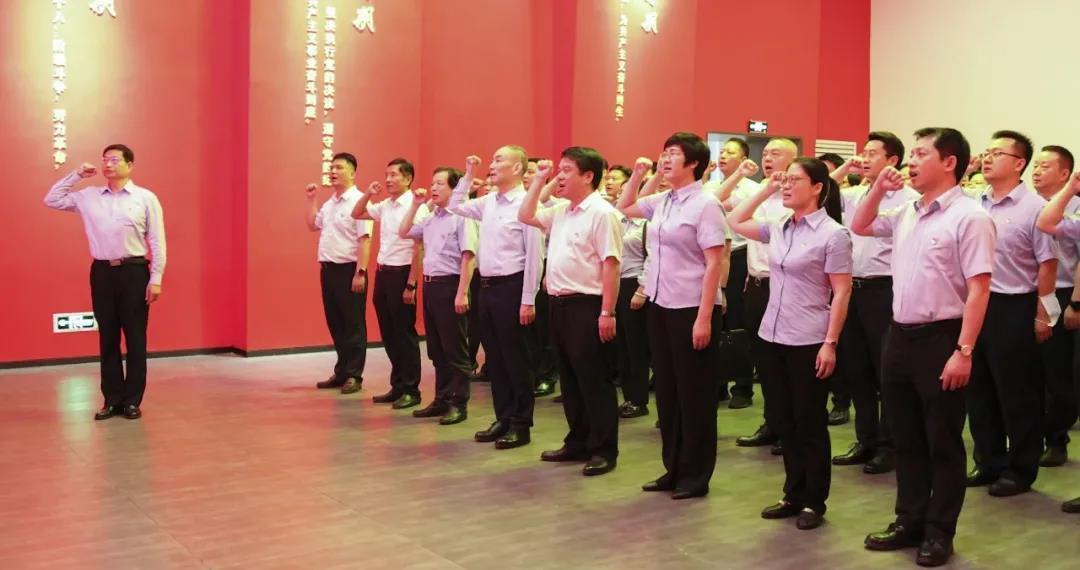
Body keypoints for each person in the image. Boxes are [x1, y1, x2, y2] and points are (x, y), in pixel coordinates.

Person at [853, 128, 995, 567]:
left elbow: (979, 289)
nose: (910, 162)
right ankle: (909, 520)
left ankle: (939, 532)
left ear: (949, 162)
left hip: (942, 338)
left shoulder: (970, 217)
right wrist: (879, 188)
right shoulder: (907, 212)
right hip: (899, 336)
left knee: (943, 441)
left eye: (920, 154)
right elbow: (860, 225)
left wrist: (964, 351)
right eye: (910, 154)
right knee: (907, 439)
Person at [729, 157, 852, 530]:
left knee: (808, 420)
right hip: (772, 334)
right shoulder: (779, 226)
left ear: (817, 187)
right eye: (785, 181)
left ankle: (815, 500)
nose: (786, 185)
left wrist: (830, 343)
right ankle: (792, 493)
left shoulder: (833, 234)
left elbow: (842, 292)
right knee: (783, 419)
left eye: (794, 180)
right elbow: (735, 220)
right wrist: (767, 187)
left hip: (809, 338)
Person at [619, 132, 727, 499]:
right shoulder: (663, 200)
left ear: (694, 163)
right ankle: (674, 468)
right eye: (663, 154)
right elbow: (625, 206)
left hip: (692, 309)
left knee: (695, 396)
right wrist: (639, 174)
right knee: (667, 393)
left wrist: (704, 317)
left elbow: (714, 263)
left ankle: (696, 476)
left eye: (674, 154)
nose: (665, 160)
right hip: (661, 305)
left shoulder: (706, 204)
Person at [519, 148, 623, 476]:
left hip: (587, 304)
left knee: (594, 380)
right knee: (570, 379)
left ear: (588, 176)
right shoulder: (563, 211)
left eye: (566, 170)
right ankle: (577, 441)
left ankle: (604, 449)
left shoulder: (602, 213)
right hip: (559, 304)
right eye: (559, 170)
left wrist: (607, 312)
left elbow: (611, 265)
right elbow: (525, 214)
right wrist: (540, 179)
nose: (559, 176)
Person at [965, 131, 1057, 498]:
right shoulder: (974, 202)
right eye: (986, 152)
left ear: (1019, 163)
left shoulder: (1035, 207)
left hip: (1014, 306)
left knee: (1017, 393)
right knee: (979, 390)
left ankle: (1021, 469)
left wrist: (1044, 315)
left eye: (997, 153)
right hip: (975, 305)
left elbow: (1047, 264)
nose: (987, 158)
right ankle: (988, 461)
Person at [44, 144, 166, 421]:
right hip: (102, 273)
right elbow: (51, 199)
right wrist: (76, 174)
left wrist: (156, 278)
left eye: (114, 160)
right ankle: (112, 399)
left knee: (135, 338)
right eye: (105, 160)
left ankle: (132, 400)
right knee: (107, 336)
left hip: (134, 271)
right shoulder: (89, 196)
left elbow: (157, 241)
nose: (108, 164)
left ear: (129, 165)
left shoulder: (145, 198)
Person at [829, 132, 918, 475]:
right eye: (862, 153)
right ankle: (865, 439)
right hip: (851, 289)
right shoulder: (855, 194)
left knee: (886, 373)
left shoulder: (909, 200)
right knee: (857, 370)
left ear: (893, 160)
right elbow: (823, 189)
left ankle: (889, 445)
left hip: (884, 290)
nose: (864, 159)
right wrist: (844, 169)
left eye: (872, 154)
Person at [449, 146, 544, 449]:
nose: (492, 164)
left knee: (516, 360)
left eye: (499, 159)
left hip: (513, 287)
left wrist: (528, 298)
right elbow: (455, 205)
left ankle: (521, 423)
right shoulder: (488, 201)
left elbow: (535, 257)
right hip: (487, 287)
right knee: (496, 359)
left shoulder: (527, 204)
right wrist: (468, 174)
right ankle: (503, 417)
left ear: (517, 168)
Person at [718, 138, 798, 451]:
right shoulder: (755, 191)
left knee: (788, 361)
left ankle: (791, 428)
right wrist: (748, 180)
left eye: (775, 153)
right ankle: (772, 423)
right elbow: (719, 202)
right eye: (765, 153)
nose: (767, 158)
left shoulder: (798, 193)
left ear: (793, 159)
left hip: (787, 285)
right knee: (764, 360)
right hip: (756, 284)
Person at [399, 162, 480, 425]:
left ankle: (459, 403)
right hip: (431, 286)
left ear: (455, 189)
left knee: (455, 349)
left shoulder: (462, 217)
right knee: (436, 349)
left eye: (439, 184)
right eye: (432, 183)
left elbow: (468, 256)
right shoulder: (431, 218)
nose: (433, 187)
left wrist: (462, 293)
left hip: (451, 285)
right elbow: (404, 231)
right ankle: (441, 399)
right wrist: (415, 205)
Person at [352, 158, 424, 409]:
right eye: (387, 175)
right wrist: (368, 194)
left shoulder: (416, 206)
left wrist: (411, 283)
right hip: (383, 273)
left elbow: (418, 248)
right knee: (389, 333)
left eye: (394, 175)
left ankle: (412, 389)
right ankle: (398, 385)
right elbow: (357, 213)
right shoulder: (385, 205)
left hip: (403, 273)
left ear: (408, 178)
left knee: (404, 334)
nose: (388, 180)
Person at [305, 152, 372, 395]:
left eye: (339, 168)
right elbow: (312, 224)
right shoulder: (330, 203)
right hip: (328, 269)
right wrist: (311, 199)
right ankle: (342, 370)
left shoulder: (360, 202)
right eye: (331, 167)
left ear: (352, 172)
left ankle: (354, 374)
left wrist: (360, 272)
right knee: (335, 322)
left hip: (350, 270)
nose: (333, 171)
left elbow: (365, 240)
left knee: (353, 324)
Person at [1032, 146, 1080, 468]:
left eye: (1045, 166)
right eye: (1035, 165)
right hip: (1030, 294)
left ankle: (1056, 439)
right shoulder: (1029, 204)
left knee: (1057, 373)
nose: (1036, 171)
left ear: (1065, 173)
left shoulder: (1075, 207)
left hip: (1062, 294)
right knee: (1031, 372)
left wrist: (1075, 303)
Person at [709, 138, 757, 405]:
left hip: (740, 258)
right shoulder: (710, 187)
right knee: (717, 321)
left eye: (731, 152)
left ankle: (742, 387)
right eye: (723, 151)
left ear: (744, 159)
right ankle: (717, 383)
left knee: (738, 323)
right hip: (713, 258)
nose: (724, 155)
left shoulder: (754, 190)